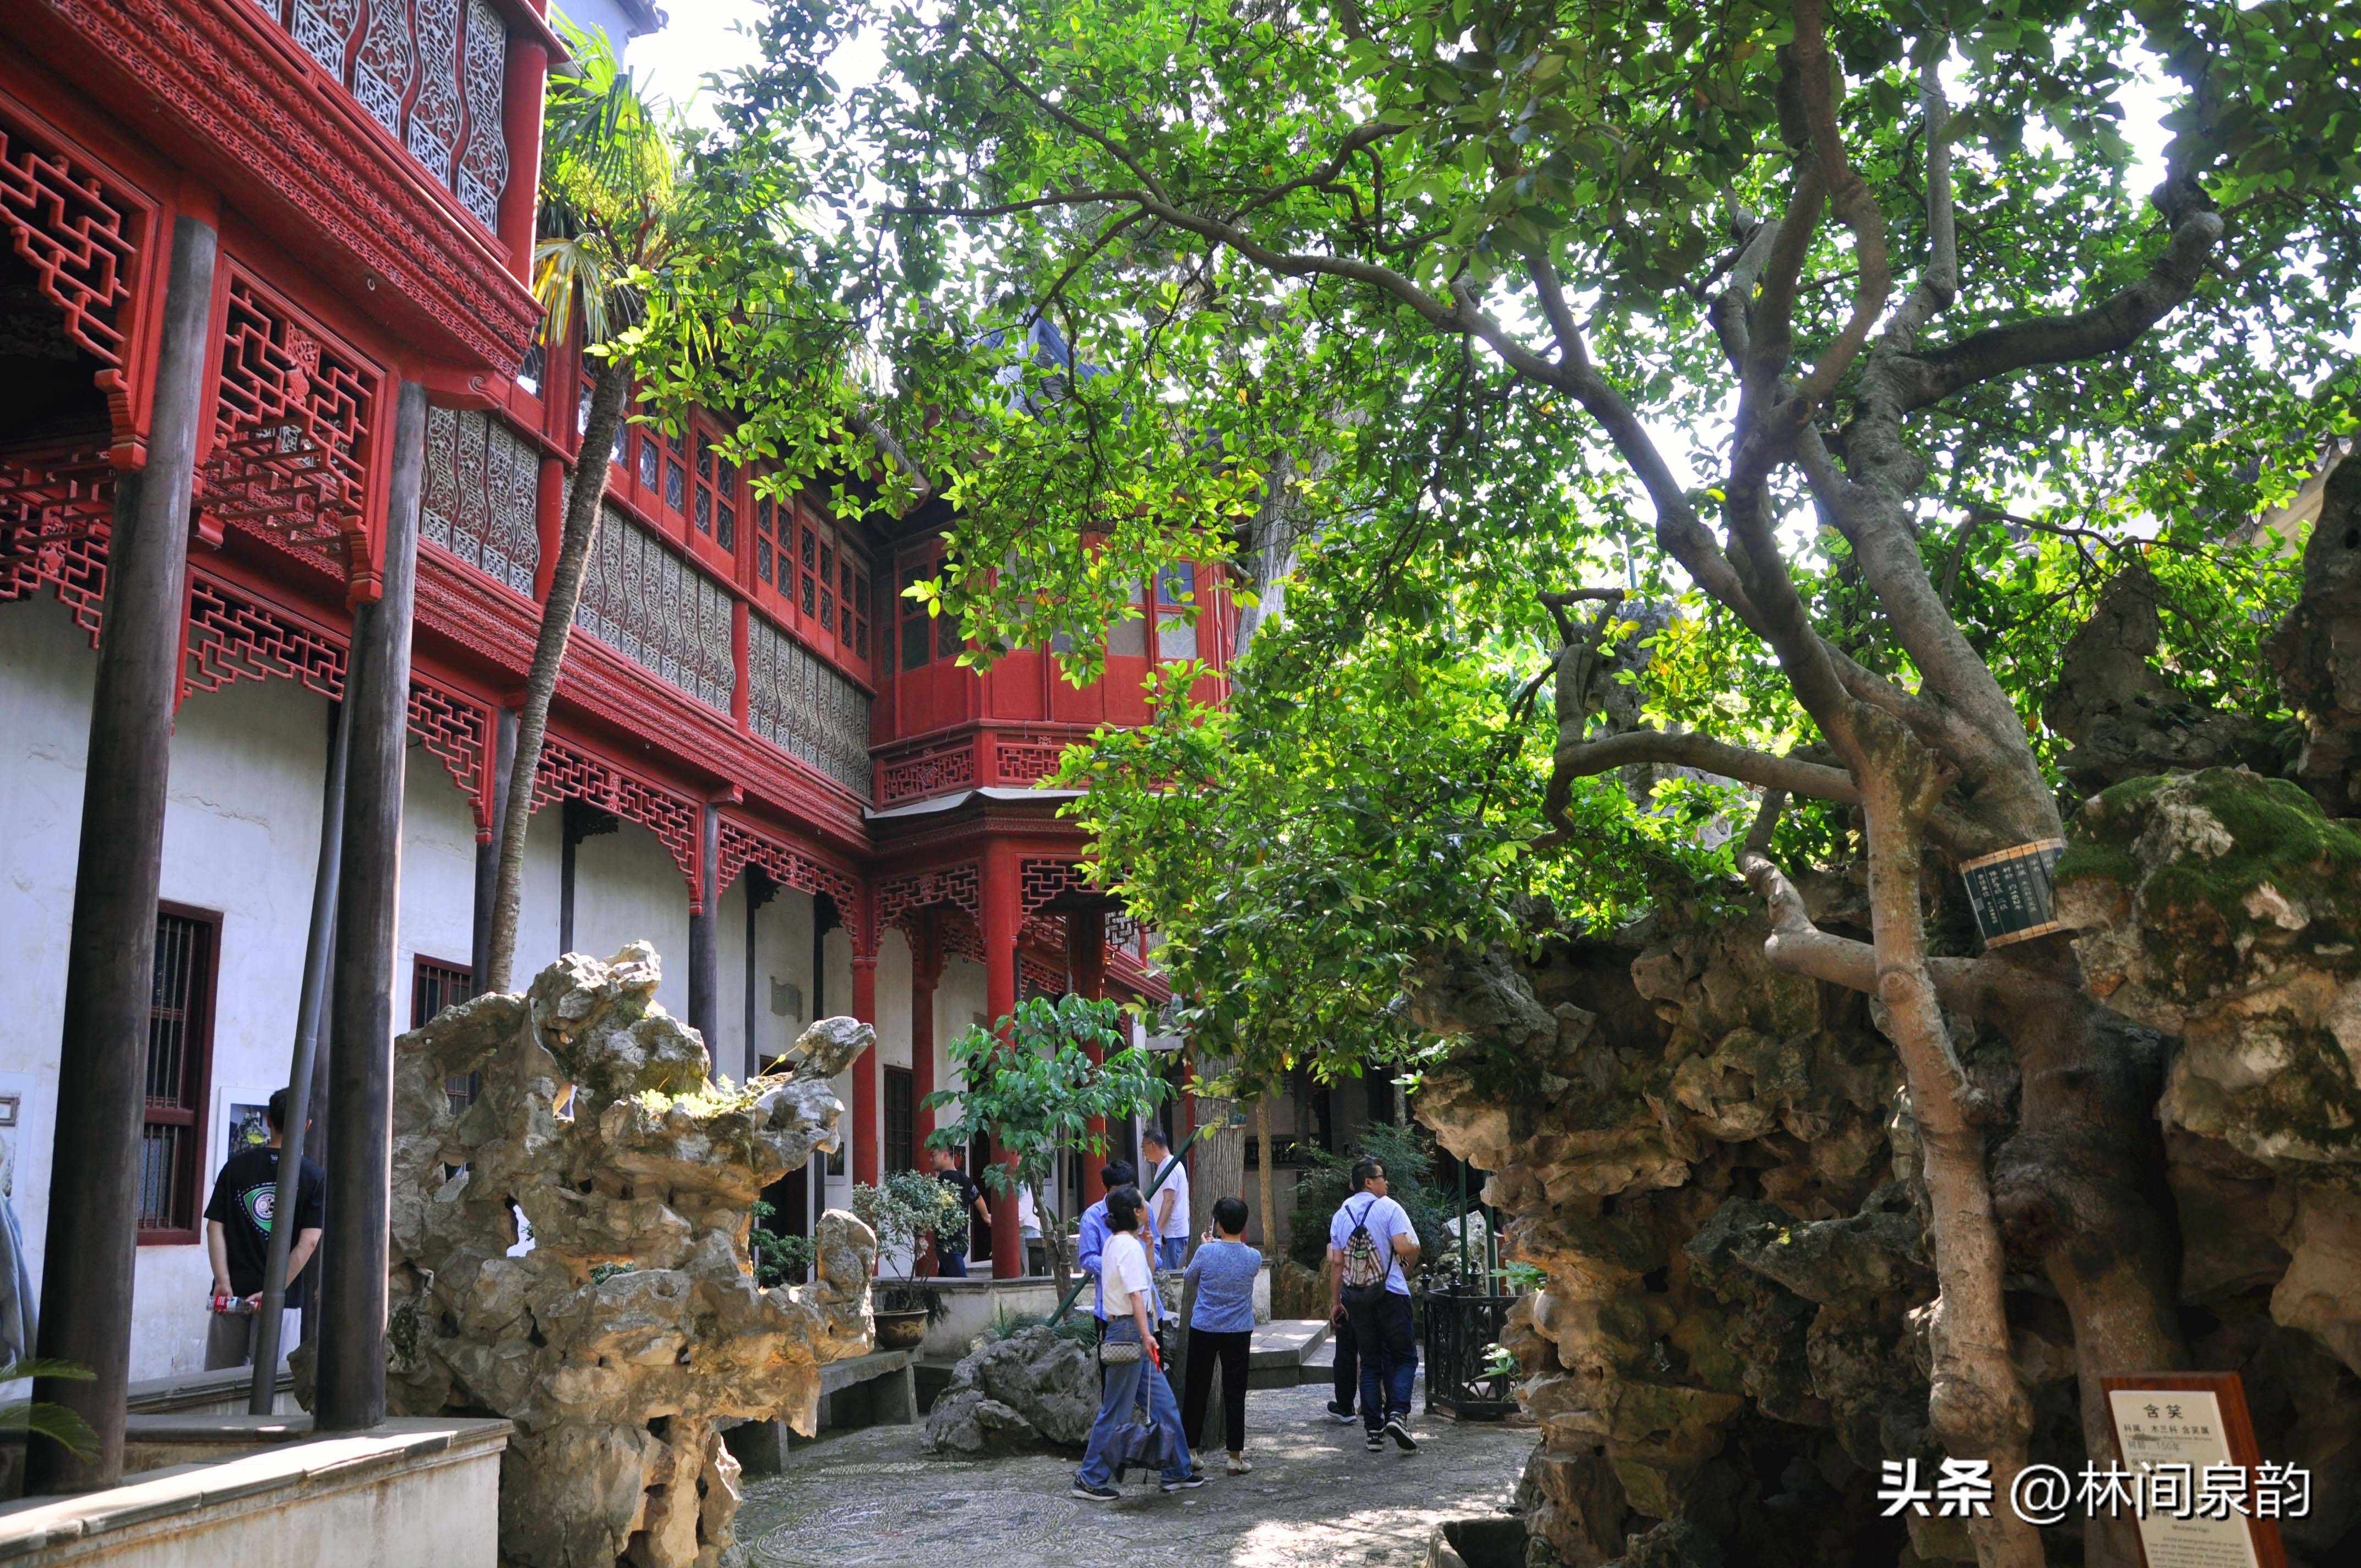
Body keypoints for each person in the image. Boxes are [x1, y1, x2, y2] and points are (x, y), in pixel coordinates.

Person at [1072, 1186, 1200, 1499]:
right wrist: (1147, 1336)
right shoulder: (1126, 1247)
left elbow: (1147, 1278)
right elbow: (1136, 1296)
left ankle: (1177, 1470)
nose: (1148, 1210)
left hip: (1130, 1330)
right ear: (1136, 1213)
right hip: (1130, 1331)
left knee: (1164, 1404)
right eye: (1144, 1205)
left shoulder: (1122, 1243)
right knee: (1116, 1410)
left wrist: (1149, 1245)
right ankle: (1089, 1478)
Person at [202, 1088, 324, 1371]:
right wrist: (273, 1290)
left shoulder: (235, 1168)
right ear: (307, 1125)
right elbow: (309, 1242)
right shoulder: (314, 1177)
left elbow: (214, 1228)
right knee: (272, 1380)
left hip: (232, 1293)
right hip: (281, 1299)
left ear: (268, 1120)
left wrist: (223, 1281)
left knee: (219, 1381)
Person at [1329, 1156, 1421, 1453]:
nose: (1386, 1182)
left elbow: (1337, 1263)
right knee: (1405, 1358)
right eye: (1382, 1177)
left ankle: (1373, 1432)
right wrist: (1412, 1254)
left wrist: (1336, 1303)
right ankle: (1398, 1414)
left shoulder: (1341, 1215)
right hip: (1391, 1293)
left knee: (1370, 1363)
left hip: (1356, 1298)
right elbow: (1405, 1247)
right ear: (1369, 1182)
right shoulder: (1389, 1207)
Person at [1182, 1195, 1262, 1475]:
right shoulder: (1254, 1257)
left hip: (1204, 1327)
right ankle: (1234, 1457)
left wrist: (1206, 1246)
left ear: (1218, 1224)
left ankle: (1190, 1451)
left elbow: (1189, 1278)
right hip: (1238, 1329)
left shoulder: (1206, 1253)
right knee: (1235, 1392)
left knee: (1196, 1389)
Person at [929, 1146, 988, 1278]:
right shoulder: (965, 1179)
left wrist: (921, 1235)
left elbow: (931, 1208)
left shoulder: (942, 1181)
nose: (931, 1160)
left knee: (962, 1285)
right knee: (945, 1283)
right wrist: (986, 1216)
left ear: (945, 1155)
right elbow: (978, 1197)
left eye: (933, 1155)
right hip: (962, 1242)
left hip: (948, 1244)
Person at [1143, 1129, 1190, 1270]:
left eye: (1143, 1147)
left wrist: (1158, 1231)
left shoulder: (1169, 1166)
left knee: (1168, 1276)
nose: (1143, 1152)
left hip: (1171, 1235)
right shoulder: (1167, 1164)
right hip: (1170, 1235)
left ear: (1152, 1145)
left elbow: (1169, 1200)